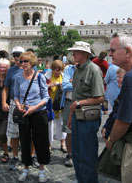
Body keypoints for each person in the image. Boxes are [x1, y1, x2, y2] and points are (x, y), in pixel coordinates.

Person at [67, 41, 105, 183]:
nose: (73, 54)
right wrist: (71, 116)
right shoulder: (77, 70)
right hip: (77, 116)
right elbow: (75, 96)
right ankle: (81, 179)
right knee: (77, 153)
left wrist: (79, 103)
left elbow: (100, 98)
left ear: (85, 54)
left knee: (88, 154)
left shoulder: (94, 70)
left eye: (76, 51)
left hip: (89, 119)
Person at [103, 33, 132, 183]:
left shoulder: (131, 78)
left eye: (112, 50)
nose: (109, 54)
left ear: (128, 51)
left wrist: (111, 140)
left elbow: (124, 121)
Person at [14, 52, 50, 182]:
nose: (23, 64)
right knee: (24, 141)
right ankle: (25, 168)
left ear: (32, 63)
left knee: (41, 141)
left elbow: (46, 97)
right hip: (24, 113)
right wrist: (18, 105)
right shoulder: (18, 77)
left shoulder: (40, 77)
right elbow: (16, 95)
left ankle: (41, 170)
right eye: (21, 61)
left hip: (39, 112)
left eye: (26, 61)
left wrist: (34, 108)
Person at [2, 46, 24, 170]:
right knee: (14, 133)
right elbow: (6, 88)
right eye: (15, 55)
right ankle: (15, 157)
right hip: (14, 103)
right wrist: (3, 102)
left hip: (28, 104)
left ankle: (31, 156)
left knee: (30, 133)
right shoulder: (11, 71)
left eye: (19, 55)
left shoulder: (32, 68)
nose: (16, 57)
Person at [45, 60, 67, 153]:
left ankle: (63, 143)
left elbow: (68, 86)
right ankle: (49, 144)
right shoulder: (46, 76)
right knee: (50, 124)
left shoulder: (64, 76)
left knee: (61, 124)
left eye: (59, 70)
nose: (57, 72)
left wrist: (63, 86)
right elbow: (41, 87)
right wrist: (49, 85)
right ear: (52, 69)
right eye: (55, 70)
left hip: (60, 104)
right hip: (50, 104)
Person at [61, 59, 76, 167]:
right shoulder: (68, 69)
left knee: (82, 130)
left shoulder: (91, 68)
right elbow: (65, 86)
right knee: (68, 130)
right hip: (68, 102)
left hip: (83, 104)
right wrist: (80, 83)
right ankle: (69, 155)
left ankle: (79, 154)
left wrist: (73, 81)